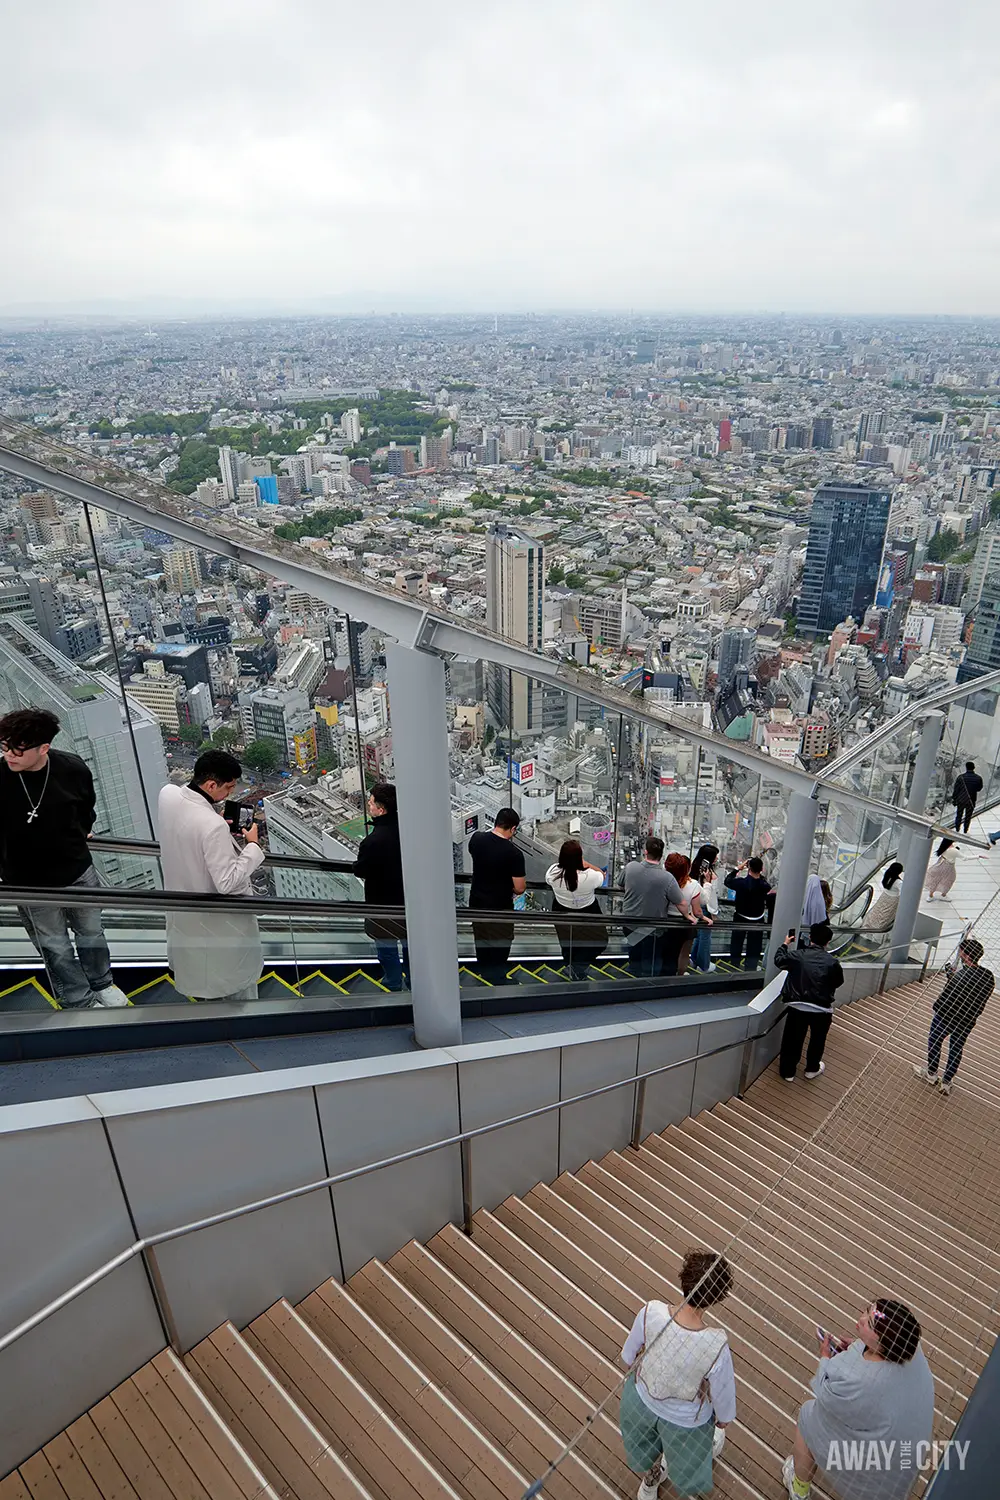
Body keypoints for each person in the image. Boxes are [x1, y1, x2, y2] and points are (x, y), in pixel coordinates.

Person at [0, 707, 130, 1010]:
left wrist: (81, 831)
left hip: (77, 869)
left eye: (17, 750)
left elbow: (86, 808)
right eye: (4, 747)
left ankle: (102, 984)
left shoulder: (71, 769)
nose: (9, 756)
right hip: (28, 882)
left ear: (43, 748)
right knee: (54, 946)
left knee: (92, 933)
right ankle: (78, 1000)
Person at [783, 1298, 933, 1499]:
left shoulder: (856, 1380)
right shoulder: (910, 1347)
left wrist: (825, 1357)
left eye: (870, 1324)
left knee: (809, 1415)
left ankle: (799, 1490)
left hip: (871, 1474)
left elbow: (825, 1392)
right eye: (867, 1310)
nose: (861, 1319)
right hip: (906, 1458)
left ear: (883, 1344)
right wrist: (858, 1348)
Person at [620, 1250, 736, 1500]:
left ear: (684, 1279)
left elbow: (628, 1357)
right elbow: (723, 1395)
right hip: (685, 1421)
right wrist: (723, 1418)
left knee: (648, 1447)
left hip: (642, 1402)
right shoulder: (716, 1345)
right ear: (716, 1298)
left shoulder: (651, 1311)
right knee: (688, 1454)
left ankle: (649, 1485)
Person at [158, 749, 265, 1002]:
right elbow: (227, 882)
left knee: (203, 973)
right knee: (234, 985)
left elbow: (190, 826)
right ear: (211, 784)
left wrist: (211, 816)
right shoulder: (212, 826)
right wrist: (253, 846)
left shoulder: (168, 795)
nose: (231, 793)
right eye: (228, 787)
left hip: (182, 909)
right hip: (218, 922)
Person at [914, 936, 993, 1096]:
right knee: (956, 1048)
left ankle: (931, 1073)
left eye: (961, 952)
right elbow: (973, 994)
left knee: (935, 1041)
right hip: (967, 1021)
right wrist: (953, 978)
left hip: (946, 1016)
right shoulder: (988, 977)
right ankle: (946, 1082)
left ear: (966, 956)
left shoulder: (958, 977)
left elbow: (947, 997)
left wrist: (951, 980)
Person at [774, 922, 844, 1081]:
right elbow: (838, 981)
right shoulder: (832, 962)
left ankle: (788, 1072)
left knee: (793, 1040)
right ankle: (812, 1069)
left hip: (797, 1006)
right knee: (817, 1040)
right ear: (827, 942)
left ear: (810, 938)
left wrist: (785, 944)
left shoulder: (798, 955)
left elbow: (779, 960)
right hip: (821, 1009)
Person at [355, 783, 408, 991]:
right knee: (410, 946)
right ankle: (416, 982)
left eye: (370, 802)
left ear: (381, 809)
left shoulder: (373, 841)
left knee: (386, 948)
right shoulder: (407, 831)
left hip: (381, 904)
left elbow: (361, 870)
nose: (368, 805)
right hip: (407, 901)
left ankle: (393, 983)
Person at [468, 807, 526, 985]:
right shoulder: (514, 854)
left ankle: (484, 973)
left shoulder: (476, 839)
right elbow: (519, 888)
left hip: (477, 902)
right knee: (501, 943)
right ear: (513, 828)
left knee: (481, 938)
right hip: (499, 907)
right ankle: (497, 979)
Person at [621, 837, 691, 977]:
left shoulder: (631, 867)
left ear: (645, 852)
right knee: (651, 959)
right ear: (661, 855)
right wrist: (689, 916)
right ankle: (648, 985)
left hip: (630, 923)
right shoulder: (666, 878)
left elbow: (621, 884)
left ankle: (632, 977)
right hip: (653, 928)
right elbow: (681, 902)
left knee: (634, 954)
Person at [545, 839, 607, 979]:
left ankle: (570, 966)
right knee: (601, 940)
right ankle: (576, 968)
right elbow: (602, 875)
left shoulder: (553, 873)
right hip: (588, 910)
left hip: (561, 909)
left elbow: (550, 878)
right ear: (579, 857)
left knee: (567, 941)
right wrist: (587, 864)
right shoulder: (589, 876)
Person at [724, 856, 772, 970]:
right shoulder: (764, 886)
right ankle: (751, 968)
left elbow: (727, 881)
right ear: (761, 869)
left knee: (736, 943)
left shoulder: (741, 883)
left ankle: (734, 966)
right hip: (758, 920)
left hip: (740, 917)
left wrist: (738, 868)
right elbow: (764, 882)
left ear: (748, 867)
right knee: (754, 946)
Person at [666, 853, 705, 976]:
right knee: (684, 951)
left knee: (665, 950)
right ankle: (680, 973)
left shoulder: (664, 880)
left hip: (664, 918)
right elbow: (697, 911)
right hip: (684, 921)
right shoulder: (693, 885)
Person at [689, 845, 720, 973]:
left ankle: (695, 959)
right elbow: (711, 896)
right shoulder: (710, 875)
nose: (717, 858)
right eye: (715, 856)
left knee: (698, 935)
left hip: (695, 904)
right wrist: (714, 912)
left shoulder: (693, 868)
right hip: (706, 907)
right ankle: (704, 965)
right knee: (705, 937)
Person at [863, 862, 903, 932]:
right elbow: (903, 891)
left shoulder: (887, 875)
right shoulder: (898, 882)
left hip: (884, 896)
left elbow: (883, 869)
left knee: (878, 909)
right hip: (893, 899)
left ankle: (869, 924)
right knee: (886, 913)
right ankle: (878, 928)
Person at [952, 760, 983, 834]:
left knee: (959, 815)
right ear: (974, 768)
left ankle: (957, 829)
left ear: (966, 768)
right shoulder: (978, 778)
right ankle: (965, 830)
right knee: (968, 816)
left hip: (961, 800)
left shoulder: (960, 777)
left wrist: (954, 799)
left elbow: (956, 789)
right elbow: (979, 789)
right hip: (971, 800)